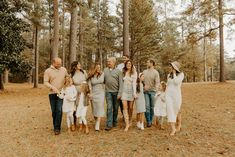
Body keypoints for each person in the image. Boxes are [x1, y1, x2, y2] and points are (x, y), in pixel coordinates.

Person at [44, 57, 67, 135]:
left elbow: (67, 78)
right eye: (58, 64)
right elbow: (45, 82)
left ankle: (57, 128)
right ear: (53, 63)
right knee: (54, 111)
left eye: (60, 63)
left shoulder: (64, 69)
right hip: (52, 93)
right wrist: (52, 87)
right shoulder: (48, 71)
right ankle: (55, 126)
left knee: (59, 110)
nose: (60, 65)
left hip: (61, 93)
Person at [103, 57, 123, 131]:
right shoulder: (105, 70)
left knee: (115, 108)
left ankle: (114, 121)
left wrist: (119, 93)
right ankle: (109, 124)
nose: (108, 63)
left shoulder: (118, 71)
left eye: (109, 61)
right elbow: (103, 80)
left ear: (114, 62)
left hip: (116, 92)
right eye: (107, 61)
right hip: (108, 92)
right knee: (109, 108)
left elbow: (121, 83)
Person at [166, 61, 184, 136]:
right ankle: (173, 129)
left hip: (176, 95)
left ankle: (179, 124)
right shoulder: (168, 75)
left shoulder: (181, 74)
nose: (170, 68)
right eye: (170, 66)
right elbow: (168, 85)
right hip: (169, 95)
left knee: (177, 110)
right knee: (170, 111)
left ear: (175, 68)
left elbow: (176, 82)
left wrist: (174, 73)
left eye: (172, 66)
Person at [87, 63, 105, 131]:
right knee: (94, 108)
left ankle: (98, 123)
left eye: (99, 67)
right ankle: (96, 119)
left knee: (100, 107)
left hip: (101, 92)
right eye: (97, 67)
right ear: (94, 68)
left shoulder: (102, 74)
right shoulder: (91, 76)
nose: (98, 69)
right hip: (93, 93)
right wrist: (90, 93)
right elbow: (89, 85)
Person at [70, 61, 88, 128]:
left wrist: (87, 91)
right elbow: (70, 83)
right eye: (78, 64)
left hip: (84, 92)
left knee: (82, 107)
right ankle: (74, 123)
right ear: (75, 66)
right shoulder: (72, 74)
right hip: (76, 92)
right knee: (75, 107)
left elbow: (87, 81)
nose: (80, 65)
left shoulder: (84, 72)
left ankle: (83, 122)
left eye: (80, 64)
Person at [143, 59, 160, 127]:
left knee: (152, 107)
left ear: (152, 63)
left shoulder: (156, 72)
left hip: (153, 92)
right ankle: (148, 121)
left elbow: (157, 83)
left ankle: (151, 119)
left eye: (148, 62)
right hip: (145, 92)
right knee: (146, 107)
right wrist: (144, 86)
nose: (146, 63)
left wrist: (156, 91)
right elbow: (141, 80)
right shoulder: (144, 71)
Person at [121, 60, 137, 131]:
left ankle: (130, 120)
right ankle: (127, 124)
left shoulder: (134, 73)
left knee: (130, 108)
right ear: (125, 65)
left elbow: (134, 83)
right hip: (124, 91)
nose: (128, 64)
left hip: (131, 91)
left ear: (132, 65)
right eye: (127, 63)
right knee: (125, 107)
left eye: (130, 63)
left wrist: (134, 93)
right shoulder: (123, 72)